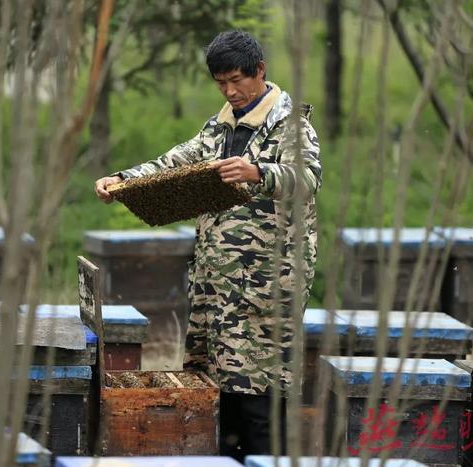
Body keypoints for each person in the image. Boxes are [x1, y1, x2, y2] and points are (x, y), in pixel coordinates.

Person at [95, 30, 321, 461]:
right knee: (218, 393)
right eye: (221, 82)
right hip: (215, 287)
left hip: (264, 288)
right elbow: (176, 161)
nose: (231, 91)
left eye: (238, 80)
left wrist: (258, 172)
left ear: (260, 71)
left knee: (260, 395)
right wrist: (124, 180)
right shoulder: (219, 127)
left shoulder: (293, 126)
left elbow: (308, 180)